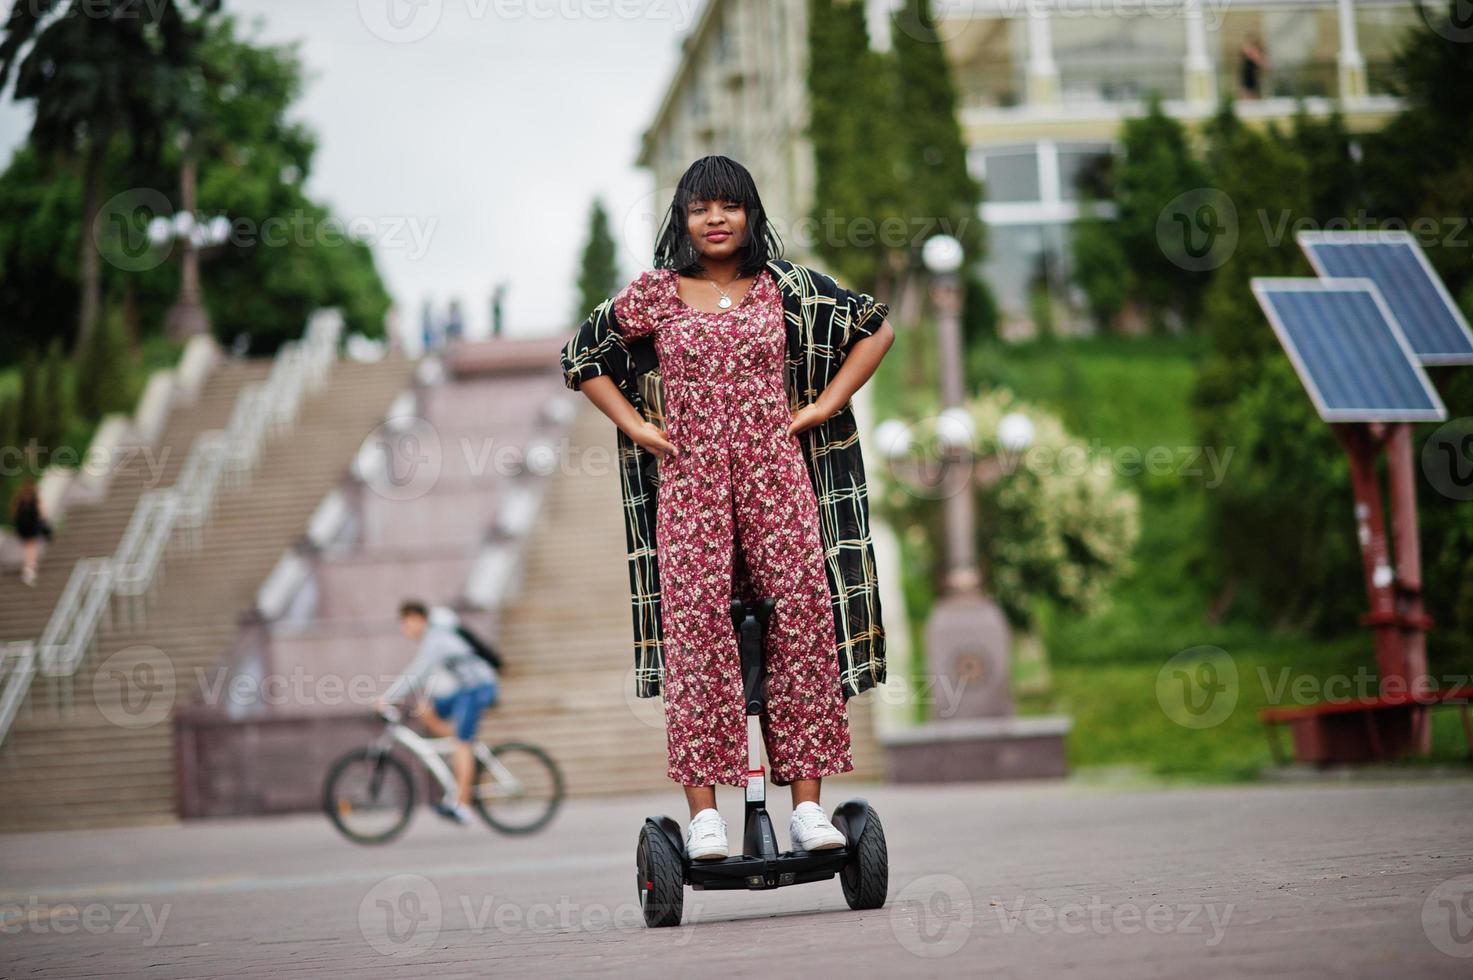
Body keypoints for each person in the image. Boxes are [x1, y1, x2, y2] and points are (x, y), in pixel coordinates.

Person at [560, 155, 895, 860]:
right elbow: (581, 358)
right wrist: (637, 426)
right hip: (690, 487)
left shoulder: (786, 288)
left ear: (750, 215)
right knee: (697, 638)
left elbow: (874, 329)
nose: (715, 220)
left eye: (729, 206)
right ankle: (705, 815)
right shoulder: (656, 294)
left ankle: (807, 807)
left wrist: (825, 404)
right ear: (682, 218)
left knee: (802, 626)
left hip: (778, 478)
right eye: (699, 208)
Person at [376, 601, 499, 825]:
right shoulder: (438, 636)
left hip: (478, 689)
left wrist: (388, 697)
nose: (405, 630)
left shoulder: (436, 639)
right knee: (426, 710)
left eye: (406, 624)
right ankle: (462, 742)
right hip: (465, 689)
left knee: (462, 743)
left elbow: (418, 672)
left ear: (417, 618)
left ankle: (463, 806)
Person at [11, 478, 50, 587]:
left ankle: (29, 566)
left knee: (28, 547)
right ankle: (29, 567)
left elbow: (14, 513)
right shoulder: (35, 500)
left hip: (23, 528)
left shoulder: (19, 500)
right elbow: (43, 514)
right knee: (31, 548)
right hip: (32, 528)